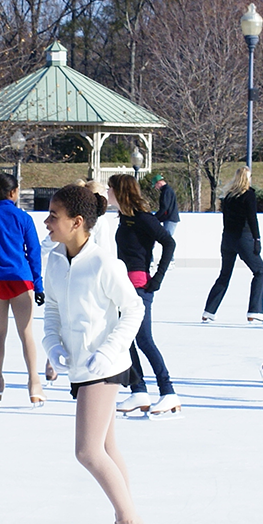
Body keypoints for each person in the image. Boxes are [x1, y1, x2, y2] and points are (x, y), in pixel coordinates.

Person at [42, 184, 169, 524]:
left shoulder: (104, 264)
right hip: (81, 366)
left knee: (87, 450)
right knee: (108, 448)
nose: (47, 222)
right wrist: (52, 345)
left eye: (54, 216)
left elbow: (133, 310)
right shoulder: (55, 260)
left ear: (77, 223)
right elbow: (54, 310)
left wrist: (107, 350)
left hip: (107, 364)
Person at [0, 173, 46, 406]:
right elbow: (33, 253)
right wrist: (38, 284)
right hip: (20, 279)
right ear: (14, 193)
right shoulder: (22, 218)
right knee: (26, 334)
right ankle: (34, 383)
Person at [108, 174, 180, 415]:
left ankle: (168, 392)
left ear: (120, 192)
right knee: (124, 340)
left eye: (110, 189)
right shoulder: (125, 218)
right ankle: (138, 391)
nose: (108, 193)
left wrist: (158, 278)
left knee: (143, 340)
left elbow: (168, 243)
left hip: (139, 286)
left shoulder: (142, 218)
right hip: (123, 285)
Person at [202, 166, 263, 324]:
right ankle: (255, 310)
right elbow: (252, 219)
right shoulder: (249, 195)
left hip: (227, 239)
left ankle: (208, 311)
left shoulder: (229, 196)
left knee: (224, 274)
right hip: (243, 238)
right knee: (260, 271)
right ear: (247, 178)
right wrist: (257, 239)